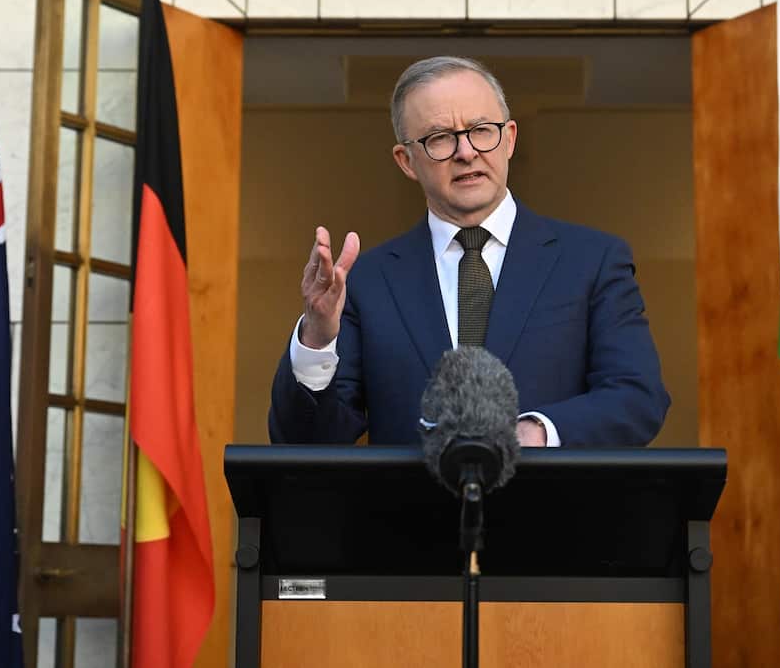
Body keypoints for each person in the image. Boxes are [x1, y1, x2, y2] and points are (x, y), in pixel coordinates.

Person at [268, 56, 669, 447]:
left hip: (552, 510)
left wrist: (533, 434)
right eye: (440, 137)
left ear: (509, 138)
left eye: (481, 130)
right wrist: (317, 337)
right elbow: (306, 441)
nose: (466, 152)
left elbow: (637, 398)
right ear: (406, 161)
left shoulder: (593, 262)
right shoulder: (369, 282)